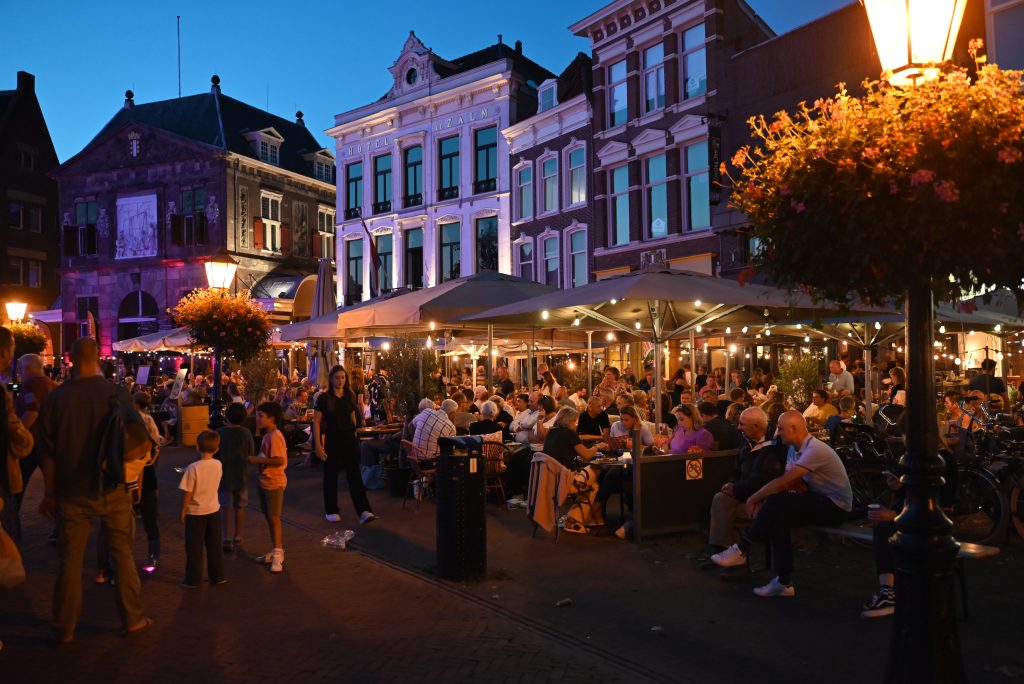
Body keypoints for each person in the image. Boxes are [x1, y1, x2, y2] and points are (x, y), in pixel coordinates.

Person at [38, 337, 151, 643]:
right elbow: (137, 440)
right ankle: (132, 618)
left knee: (70, 561)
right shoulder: (116, 394)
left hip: (71, 490)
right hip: (111, 486)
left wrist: (50, 492)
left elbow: (46, 452)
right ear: (98, 360)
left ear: (72, 359)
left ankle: (64, 627)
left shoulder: (56, 399)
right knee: (122, 553)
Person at [711, 411, 853, 597]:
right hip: (816, 500)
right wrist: (766, 501)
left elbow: (784, 482)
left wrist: (755, 498)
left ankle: (742, 548)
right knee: (778, 516)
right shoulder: (794, 449)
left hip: (836, 506)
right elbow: (791, 483)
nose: (777, 433)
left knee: (778, 501)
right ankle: (784, 581)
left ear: (794, 428)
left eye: (781, 428)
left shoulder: (815, 449)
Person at [704, 406, 786, 556]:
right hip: (746, 492)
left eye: (742, 424)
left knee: (726, 511)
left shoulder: (775, 446)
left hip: (764, 498)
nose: (738, 427)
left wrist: (736, 489)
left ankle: (730, 554)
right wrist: (732, 483)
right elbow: (738, 469)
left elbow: (764, 480)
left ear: (756, 426)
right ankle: (725, 549)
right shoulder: (748, 440)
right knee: (721, 499)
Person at [313, 366, 375, 525]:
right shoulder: (323, 398)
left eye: (342, 377)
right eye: (337, 377)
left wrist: (355, 434)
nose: (340, 380)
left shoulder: (350, 396)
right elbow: (317, 422)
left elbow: (352, 416)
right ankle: (331, 510)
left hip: (349, 439)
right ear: (331, 378)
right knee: (331, 475)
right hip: (333, 439)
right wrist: (318, 445)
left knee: (354, 475)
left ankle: (363, 510)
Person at [541, 407, 607, 533]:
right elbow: (587, 455)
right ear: (568, 421)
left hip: (551, 480)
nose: (576, 424)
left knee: (594, 486)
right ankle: (574, 522)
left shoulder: (551, 433)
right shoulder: (569, 433)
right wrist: (598, 446)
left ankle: (576, 519)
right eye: (574, 421)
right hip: (564, 482)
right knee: (596, 470)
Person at [12, 352, 55, 542]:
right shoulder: (51, 385)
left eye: (21, 369)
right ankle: (60, 529)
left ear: (28, 369)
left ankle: (11, 530)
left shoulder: (32, 386)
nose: (20, 374)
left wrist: (18, 432)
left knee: (16, 488)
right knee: (53, 488)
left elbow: (32, 410)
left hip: (32, 444)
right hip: (49, 444)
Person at [179, 430, 226, 589]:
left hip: (195, 512)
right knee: (214, 545)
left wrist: (183, 510)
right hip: (213, 510)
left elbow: (188, 492)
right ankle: (217, 576)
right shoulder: (218, 464)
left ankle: (193, 579)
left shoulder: (193, 468)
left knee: (194, 547)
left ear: (197, 446)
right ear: (217, 449)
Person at [248, 402, 288, 573]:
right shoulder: (267, 435)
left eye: (260, 416)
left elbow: (280, 460)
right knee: (269, 517)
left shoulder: (275, 436)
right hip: (266, 481)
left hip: (275, 482)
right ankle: (275, 549)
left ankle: (278, 553)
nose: (257, 419)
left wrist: (258, 460)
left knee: (274, 518)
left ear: (271, 419)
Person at [217, 402, 254, 553]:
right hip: (241, 472)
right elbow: (251, 452)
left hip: (224, 473)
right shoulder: (246, 433)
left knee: (225, 505)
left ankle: (226, 537)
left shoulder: (219, 432)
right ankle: (238, 535)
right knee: (240, 505)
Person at [133, 392, 163, 570]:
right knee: (150, 519)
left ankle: (153, 555)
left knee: (147, 519)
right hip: (145, 474)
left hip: (139, 477)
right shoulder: (149, 421)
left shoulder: (143, 421)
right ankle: (154, 555)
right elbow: (157, 443)